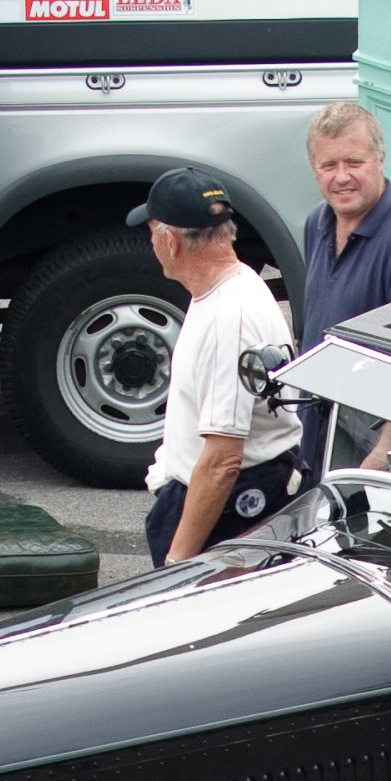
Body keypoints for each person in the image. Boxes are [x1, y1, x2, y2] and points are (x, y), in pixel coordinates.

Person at [127, 167, 301, 566]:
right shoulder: (234, 286)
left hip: (229, 508)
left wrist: (178, 563)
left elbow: (223, 461)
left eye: (152, 233)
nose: (151, 244)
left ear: (170, 241)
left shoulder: (228, 319)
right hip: (231, 497)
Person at [296, 100, 391, 472]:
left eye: (354, 163)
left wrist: (375, 467)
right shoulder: (317, 223)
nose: (342, 177)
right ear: (314, 168)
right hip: (324, 440)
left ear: (380, 160)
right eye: (329, 165)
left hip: (382, 459)